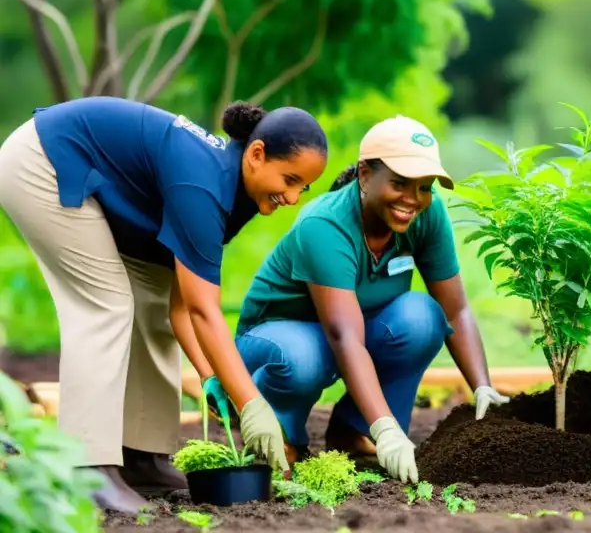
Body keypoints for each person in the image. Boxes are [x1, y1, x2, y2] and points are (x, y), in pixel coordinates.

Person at [0, 96, 328, 513]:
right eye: (289, 179)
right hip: (44, 161)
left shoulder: (240, 194)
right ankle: (86, 468)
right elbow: (204, 311)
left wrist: (213, 379)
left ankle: (142, 457)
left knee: (151, 306)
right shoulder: (203, 184)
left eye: (304, 187)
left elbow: (178, 307)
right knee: (106, 306)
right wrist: (252, 404)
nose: (294, 197)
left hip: (101, 182)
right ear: (257, 155)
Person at [228, 114, 508, 483]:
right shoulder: (325, 226)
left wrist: (482, 385)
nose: (413, 199)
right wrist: (388, 429)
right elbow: (344, 336)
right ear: (364, 175)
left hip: (349, 331)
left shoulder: (428, 213)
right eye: (400, 183)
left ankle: (353, 431)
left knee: (424, 317)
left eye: (424, 187)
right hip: (274, 342)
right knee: (304, 357)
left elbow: (455, 308)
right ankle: (282, 432)